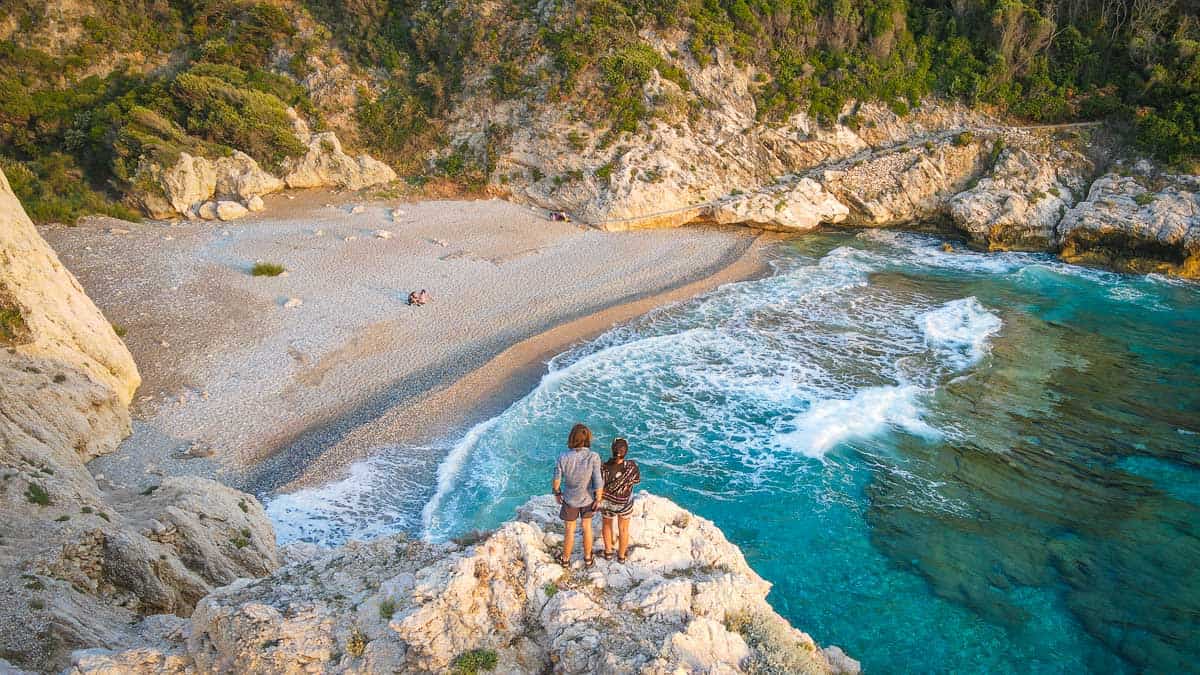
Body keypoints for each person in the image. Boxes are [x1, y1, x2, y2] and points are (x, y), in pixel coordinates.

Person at [552, 423, 604, 567]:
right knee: (587, 527)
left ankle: (565, 560)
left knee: (569, 530)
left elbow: (557, 479)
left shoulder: (563, 457)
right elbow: (598, 480)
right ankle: (588, 558)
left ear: (572, 438)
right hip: (588, 499)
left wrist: (557, 493)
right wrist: (598, 499)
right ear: (588, 438)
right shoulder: (594, 456)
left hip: (569, 499)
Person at [600, 437, 641, 563]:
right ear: (626, 451)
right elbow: (636, 481)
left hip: (607, 503)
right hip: (624, 504)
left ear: (612, 450)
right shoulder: (632, 466)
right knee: (623, 529)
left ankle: (608, 552)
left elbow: (600, 484)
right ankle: (621, 556)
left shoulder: (604, 467)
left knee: (607, 525)